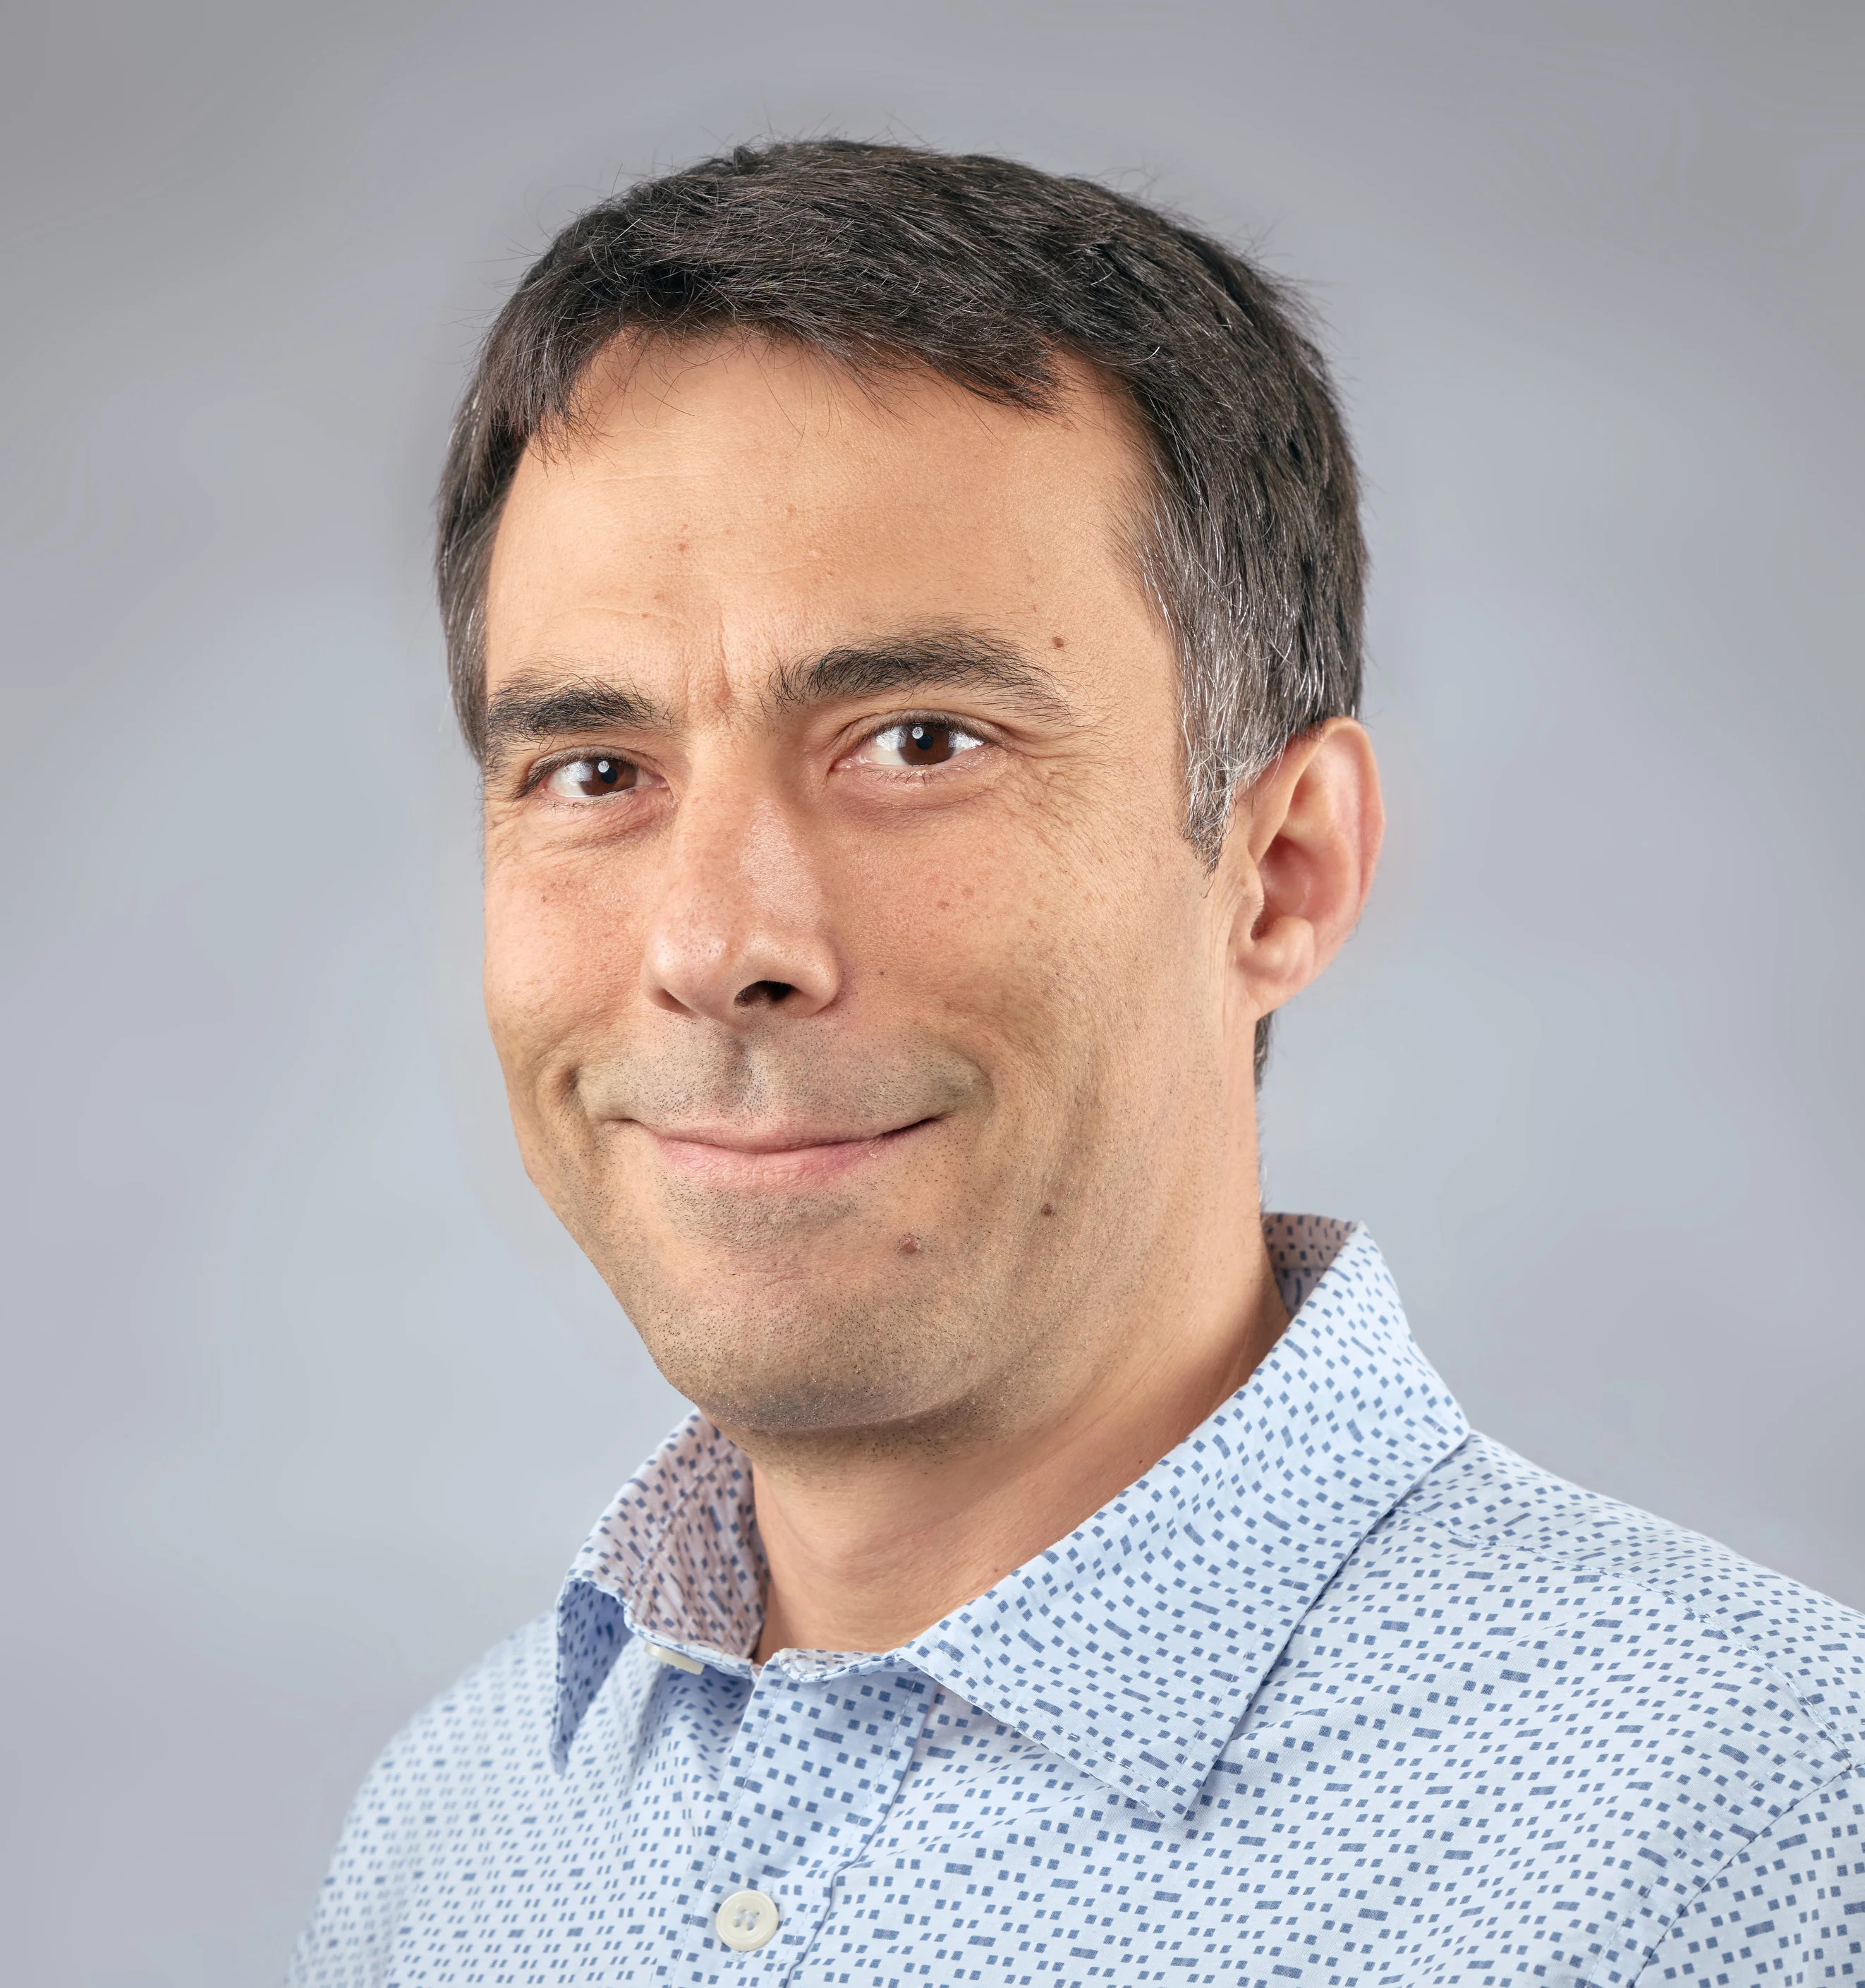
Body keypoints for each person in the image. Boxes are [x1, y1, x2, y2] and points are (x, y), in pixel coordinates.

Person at [291, 140, 1865, 1987]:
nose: (714, 947)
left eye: (920, 742)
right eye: (593, 772)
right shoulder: (453, 1840)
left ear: (1280, 872)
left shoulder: (1772, 1830)